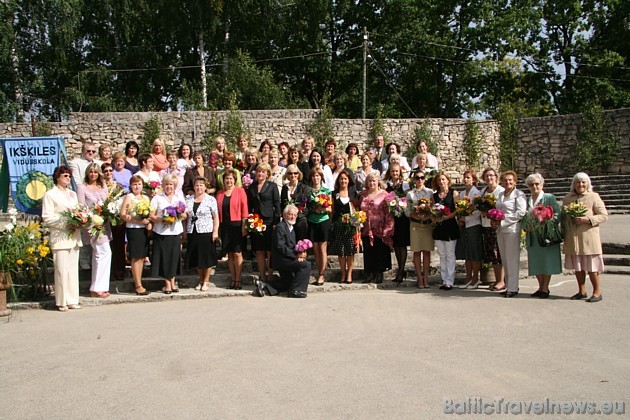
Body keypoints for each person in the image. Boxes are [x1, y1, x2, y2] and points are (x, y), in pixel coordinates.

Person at [562, 172, 608, 302]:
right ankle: (581, 291)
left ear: (588, 184)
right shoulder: (568, 198)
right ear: (574, 184)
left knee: (592, 268)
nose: (580, 184)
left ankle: (597, 292)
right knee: (578, 267)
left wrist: (587, 219)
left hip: (589, 238)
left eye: (583, 182)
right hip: (573, 238)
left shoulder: (593, 197)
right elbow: (563, 217)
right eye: (578, 182)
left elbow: (604, 215)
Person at [42, 166, 83, 311]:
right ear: (57, 177)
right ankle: (61, 301)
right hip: (60, 236)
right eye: (65, 175)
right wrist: (66, 223)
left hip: (74, 236)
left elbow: (78, 210)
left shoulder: (72, 194)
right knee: (61, 270)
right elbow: (47, 217)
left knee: (72, 270)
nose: (68, 178)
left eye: (69, 176)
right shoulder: (50, 194)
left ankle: (72, 299)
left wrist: (80, 220)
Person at [253, 205, 310, 298]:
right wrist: (296, 255)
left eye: (295, 215)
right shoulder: (280, 227)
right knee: (306, 265)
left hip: (287, 258)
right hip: (281, 259)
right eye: (290, 214)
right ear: (284, 215)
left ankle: (263, 285)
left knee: (289, 282)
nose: (292, 217)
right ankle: (296, 290)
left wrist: (301, 252)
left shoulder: (291, 228)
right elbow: (281, 247)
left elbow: (292, 246)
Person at [523, 173, 562, 299]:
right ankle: (540, 287)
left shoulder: (548, 197)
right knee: (535, 261)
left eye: (536, 184)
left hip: (546, 234)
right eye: (531, 184)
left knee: (546, 261)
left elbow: (557, 214)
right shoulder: (527, 200)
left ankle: (545, 288)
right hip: (532, 234)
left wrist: (547, 222)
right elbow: (524, 217)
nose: (534, 186)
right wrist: (525, 226)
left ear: (542, 185)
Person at [77, 162, 112, 298]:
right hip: (92, 225)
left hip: (104, 224)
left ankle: (100, 286)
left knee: (103, 254)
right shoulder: (82, 188)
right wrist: (92, 220)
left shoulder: (103, 187)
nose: (93, 174)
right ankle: (96, 288)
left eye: (96, 172)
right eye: (91, 172)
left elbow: (108, 203)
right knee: (103, 252)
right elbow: (81, 207)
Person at [149, 174, 188, 294]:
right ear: (163, 185)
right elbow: (151, 215)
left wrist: (179, 215)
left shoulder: (179, 198)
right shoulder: (157, 198)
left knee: (174, 257)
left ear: (175, 186)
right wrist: (162, 220)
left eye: (171, 184)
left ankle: (173, 281)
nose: (168, 186)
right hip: (161, 232)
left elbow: (185, 214)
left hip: (175, 231)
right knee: (164, 258)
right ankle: (167, 284)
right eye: (166, 184)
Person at [494, 171, 527, 298]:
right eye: (505, 180)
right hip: (500, 230)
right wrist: (494, 219)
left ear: (515, 181)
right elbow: (498, 210)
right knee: (505, 259)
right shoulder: (501, 194)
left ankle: (513, 288)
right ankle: (509, 285)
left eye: (510, 180)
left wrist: (503, 221)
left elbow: (520, 212)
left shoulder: (519, 194)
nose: (508, 182)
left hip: (512, 230)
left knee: (512, 259)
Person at [357, 172, 394, 283]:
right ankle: (369, 273)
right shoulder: (363, 195)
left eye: (374, 181)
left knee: (380, 250)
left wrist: (388, 228)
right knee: (368, 251)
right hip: (367, 228)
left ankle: (379, 273)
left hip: (380, 226)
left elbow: (388, 212)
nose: (372, 183)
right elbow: (359, 209)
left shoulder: (384, 195)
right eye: (370, 181)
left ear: (378, 182)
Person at [247, 163, 281, 282]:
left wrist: (276, 222)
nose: (260, 174)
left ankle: (270, 274)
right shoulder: (251, 187)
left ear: (267, 174)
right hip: (256, 220)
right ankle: (262, 274)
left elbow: (277, 204)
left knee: (269, 250)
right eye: (258, 171)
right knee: (259, 249)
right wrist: (250, 220)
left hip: (269, 220)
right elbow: (249, 205)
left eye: (263, 171)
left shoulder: (272, 186)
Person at [185, 177, 219, 291]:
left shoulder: (210, 199)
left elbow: (216, 217)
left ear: (205, 187)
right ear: (193, 187)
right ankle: (200, 279)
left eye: (201, 185)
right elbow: (185, 216)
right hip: (192, 231)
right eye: (197, 185)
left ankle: (206, 281)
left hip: (206, 231)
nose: (199, 187)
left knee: (206, 257)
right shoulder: (188, 199)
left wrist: (215, 231)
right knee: (195, 257)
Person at [216, 169, 249, 289]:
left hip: (237, 224)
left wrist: (244, 226)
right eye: (226, 178)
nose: (229, 180)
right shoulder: (220, 193)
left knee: (237, 253)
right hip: (225, 225)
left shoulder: (240, 191)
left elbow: (245, 209)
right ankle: (232, 278)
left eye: (231, 178)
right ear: (223, 180)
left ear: (235, 180)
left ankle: (238, 279)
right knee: (229, 254)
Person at [119, 175, 152, 295]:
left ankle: (140, 282)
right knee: (136, 257)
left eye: (139, 184)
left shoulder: (145, 198)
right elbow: (123, 214)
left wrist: (149, 223)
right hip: (134, 229)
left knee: (142, 257)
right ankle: (138, 285)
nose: (137, 186)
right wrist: (138, 221)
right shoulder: (130, 197)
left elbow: (149, 214)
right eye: (134, 184)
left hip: (143, 230)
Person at [405, 172, 434, 288]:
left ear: (425, 179)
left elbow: (434, 208)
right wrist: (415, 215)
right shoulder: (410, 194)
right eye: (417, 178)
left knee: (427, 252)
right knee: (416, 252)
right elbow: (407, 210)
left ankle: (426, 278)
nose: (419, 180)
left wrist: (428, 214)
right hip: (415, 224)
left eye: (422, 178)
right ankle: (419, 278)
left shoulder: (430, 192)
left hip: (427, 224)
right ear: (414, 180)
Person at [328, 171, 358, 284]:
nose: (343, 181)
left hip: (350, 226)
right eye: (341, 179)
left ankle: (349, 273)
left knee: (350, 250)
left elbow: (357, 210)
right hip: (338, 225)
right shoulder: (334, 193)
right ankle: (343, 273)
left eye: (345, 179)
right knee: (341, 251)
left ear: (349, 180)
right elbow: (332, 210)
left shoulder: (353, 194)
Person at [455, 170, 483, 289]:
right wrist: (459, 218)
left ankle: (475, 278)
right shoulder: (461, 194)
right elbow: (459, 209)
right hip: (464, 226)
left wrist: (465, 218)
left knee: (474, 253)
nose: (466, 179)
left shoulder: (476, 193)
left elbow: (477, 211)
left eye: (468, 178)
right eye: (464, 177)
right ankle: (468, 277)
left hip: (473, 225)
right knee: (467, 253)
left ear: (473, 180)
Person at [432, 171, 460, 290]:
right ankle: (444, 279)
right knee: (442, 255)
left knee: (450, 254)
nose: (441, 182)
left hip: (450, 226)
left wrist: (447, 216)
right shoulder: (434, 196)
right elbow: (433, 210)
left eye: (443, 179)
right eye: (439, 180)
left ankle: (450, 280)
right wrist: (434, 218)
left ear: (448, 180)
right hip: (439, 227)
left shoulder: (454, 193)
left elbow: (459, 209)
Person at [384, 163, 411, 283]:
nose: (394, 174)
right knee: (396, 244)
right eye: (392, 171)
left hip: (402, 218)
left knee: (402, 244)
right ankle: (400, 269)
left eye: (396, 172)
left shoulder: (404, 185)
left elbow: (408, 199)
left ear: (399, 173)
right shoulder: (387, 185)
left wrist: (401, 203)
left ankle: (401, 269)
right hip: (392, 217)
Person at [479, 167, 505, 291]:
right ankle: (497, 279)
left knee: (498, 253)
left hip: (497, 226)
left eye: (491, 175)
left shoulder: (501, 191)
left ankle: (501, 281)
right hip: (486, 225)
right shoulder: (483, 191)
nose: (489, 178)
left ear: (496, 177)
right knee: (491, 254)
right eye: (487, 176)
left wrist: (490, 213)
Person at [307, 167, 332, 286]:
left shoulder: (326, 191)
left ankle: (322, 274)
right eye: (314, 176)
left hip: (323, 220)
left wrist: (322, 207)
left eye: (318, 176)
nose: (316, 178)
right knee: (315, 249)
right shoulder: (308, 191)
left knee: (322, 248)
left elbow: (330, 208)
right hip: (312, 220)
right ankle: (318, 270)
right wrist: (313, 208)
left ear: (321, 178)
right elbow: (305, 206)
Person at [280, 164, 311, 241]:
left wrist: (299, 213)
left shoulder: (304, 188)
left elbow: (308, 206)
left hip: (300, 220)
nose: (293, 175)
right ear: (287, 175)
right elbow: (283, 204)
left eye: (295, 173)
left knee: (301, 244)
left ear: (299, 174)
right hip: (287, 220)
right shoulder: (284, 188)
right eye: (290, 173)